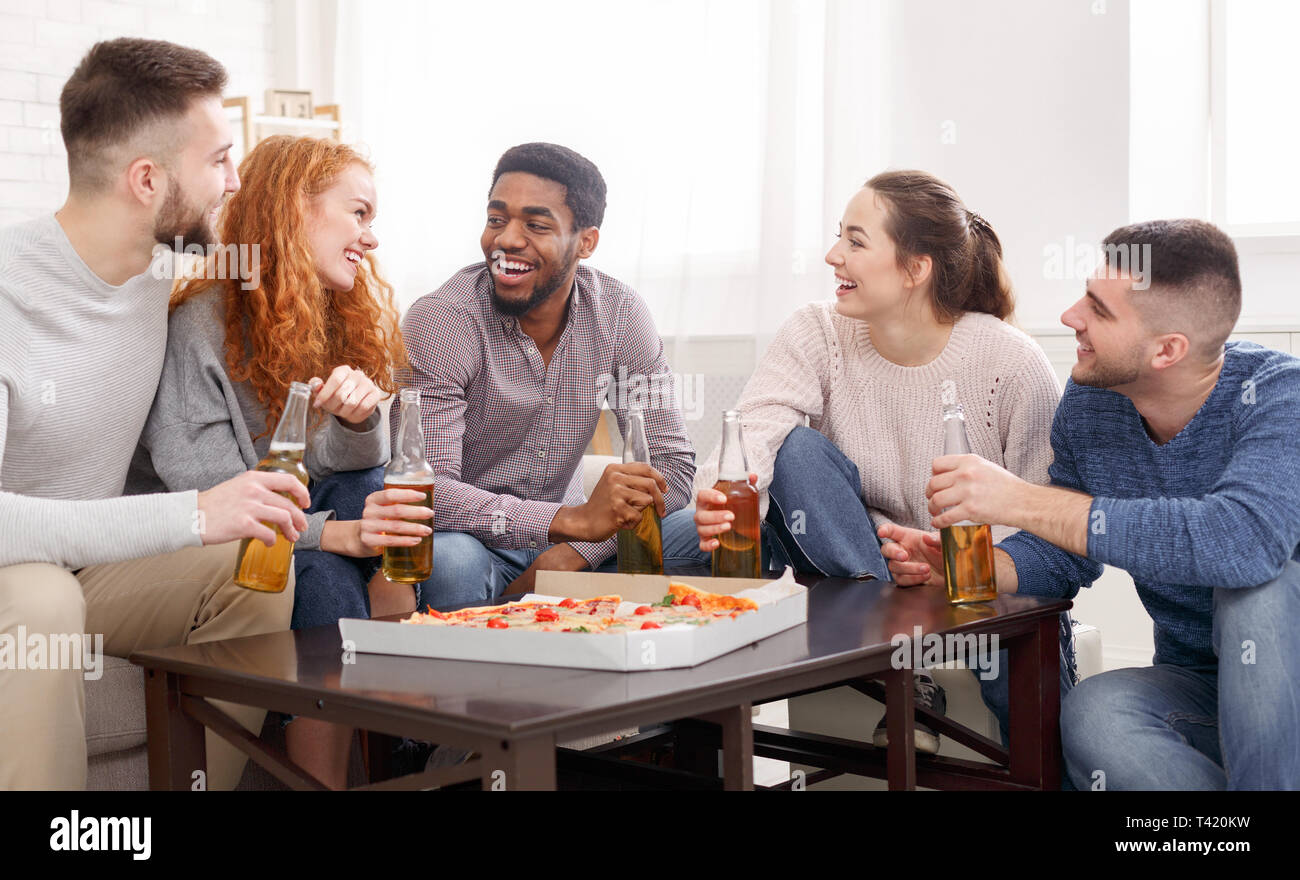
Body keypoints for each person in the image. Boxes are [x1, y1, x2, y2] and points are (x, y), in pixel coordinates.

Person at [0, 38, 307, 790]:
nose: (233, 183)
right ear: (146, 179)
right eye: (220, 161)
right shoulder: (9, 294)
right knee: (42, 595)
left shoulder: (159, 266)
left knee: (255, 559)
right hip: (17, 577)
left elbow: (285, 259)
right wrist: (196, 512)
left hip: (90, 573)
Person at [898, 219, 1300, 789]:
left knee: (1259, 592)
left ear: (1168, 350)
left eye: (1098, 309)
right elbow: (1068, 554)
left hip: (1290, 690)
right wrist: (980, 567)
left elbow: (1242, 542)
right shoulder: (1091, 404)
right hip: (1199, 682)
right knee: (1094, 710)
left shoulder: (1279, 395)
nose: (1070, 317)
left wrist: (1020, 499)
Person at [693, 170, 1064, 753]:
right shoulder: (816, 330)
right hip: (866, 570)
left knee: (1038, 730)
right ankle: (898, 666)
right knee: (793, 450)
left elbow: (1049, 515)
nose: (832, 254)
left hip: (974, 577)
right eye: (839, 236)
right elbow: (754, 432)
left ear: (916, 268)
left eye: (856, 241)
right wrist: (718, 498)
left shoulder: (1010, 363)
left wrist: (959, 567)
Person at [133, 135, 422, 790]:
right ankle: (391, 612)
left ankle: (331, 777)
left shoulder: (327, 317)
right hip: (203, 545)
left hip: (299, 540)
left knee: (349, 504)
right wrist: (339, 534)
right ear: (297, 208)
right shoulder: (201, 325)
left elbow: (328, 466)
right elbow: (211, 493)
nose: (370, 238)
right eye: (358, 213)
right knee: (326, 553)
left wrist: (358, 419)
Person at [400, 143, 699, 605]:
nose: (506, 240)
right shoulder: (443, 320)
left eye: (536, 225)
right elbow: (427, 489)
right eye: (497, 219)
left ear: (586, 241)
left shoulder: (620, 316)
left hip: (571, 542)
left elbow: (672, 467)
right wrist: (566, 521)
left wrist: (581, 548)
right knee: (451, 562)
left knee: (707, 536)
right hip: (471, 542)